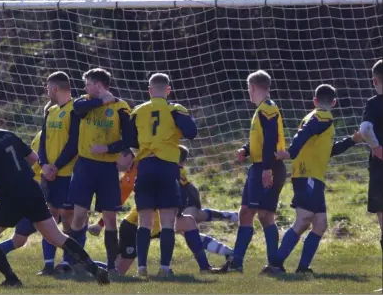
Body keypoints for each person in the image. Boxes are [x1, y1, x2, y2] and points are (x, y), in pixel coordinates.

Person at [0, 102, 109, 286]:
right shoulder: (8, 135)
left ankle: (12, 279)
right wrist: (17, 172)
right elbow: (34, 158)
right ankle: (95, 270)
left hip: (12, 198)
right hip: (32, 189)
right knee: (57, 237)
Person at [89, 146, 236, 276]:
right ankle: (85, 266)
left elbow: (187, 188)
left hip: (158, 223)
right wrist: (101, 224)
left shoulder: (169, 169)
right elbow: (117, 201)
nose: (115, 161)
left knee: (189, 222)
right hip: (133, 226)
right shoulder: (138, 173)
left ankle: (205, 267)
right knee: (117, 272)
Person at [269, 84, 361, 274]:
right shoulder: (323, 116)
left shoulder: (314, 117)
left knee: (320, 224)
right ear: (334, 102)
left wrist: (353, 140)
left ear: (315, 100)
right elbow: (304, 134)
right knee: (304, 219)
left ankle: (303, 269)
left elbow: (330, 150)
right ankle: (275, 264)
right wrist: (291, 152)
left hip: (312, 176)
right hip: (307, 174)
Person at [128, 73, 206, 278]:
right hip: (167, 167)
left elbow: (129, 138)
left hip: (145, 166)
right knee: (167, 221)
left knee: (144, 221)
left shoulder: (138, 111)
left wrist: (146, 144)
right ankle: (164, 268)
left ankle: (142, 268)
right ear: (168, 90)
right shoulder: (175, 109)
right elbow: (192, 132)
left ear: (149, 91)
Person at [214, 70, 287, 274]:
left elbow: (271, 139)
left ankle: (275, 264)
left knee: (265, 215)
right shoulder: (262, 110)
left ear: (253, 87)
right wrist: (245, 150)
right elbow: (261, 139)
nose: (249, 93)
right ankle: (236, 263)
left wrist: (266, 169)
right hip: (258, 167)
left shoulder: (269, 109)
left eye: (249, 89)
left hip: (267, 167)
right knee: (245, 213)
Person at [69, 68, 132, 275]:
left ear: (97, 84)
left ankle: (112, 266)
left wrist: (108, 149)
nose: (85, 87)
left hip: (107, 169)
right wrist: (101, 101)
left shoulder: (121, 107)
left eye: (87, 84)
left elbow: (132, 139)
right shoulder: (84, 102)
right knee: (78, 216)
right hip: (85, 166)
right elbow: (78, 109)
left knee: (110, 218)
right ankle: (75, 262)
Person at [38, 71, 81, 275]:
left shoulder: (75, 109)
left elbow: (74, 144)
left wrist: (56, 166)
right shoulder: (50, 111)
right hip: (49, 174)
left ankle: (68, 263)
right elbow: (43, 141)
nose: (46, 91)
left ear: (55, 88)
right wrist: (44, 164)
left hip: (67, 174)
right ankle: (48, 264)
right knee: (49, 218)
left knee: (68, 218)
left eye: (47, 87)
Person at [359, 59, 383, 254]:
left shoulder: (373, 104)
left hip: (379, 167)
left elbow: (365, 128)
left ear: (374, 80)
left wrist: (376, 147)